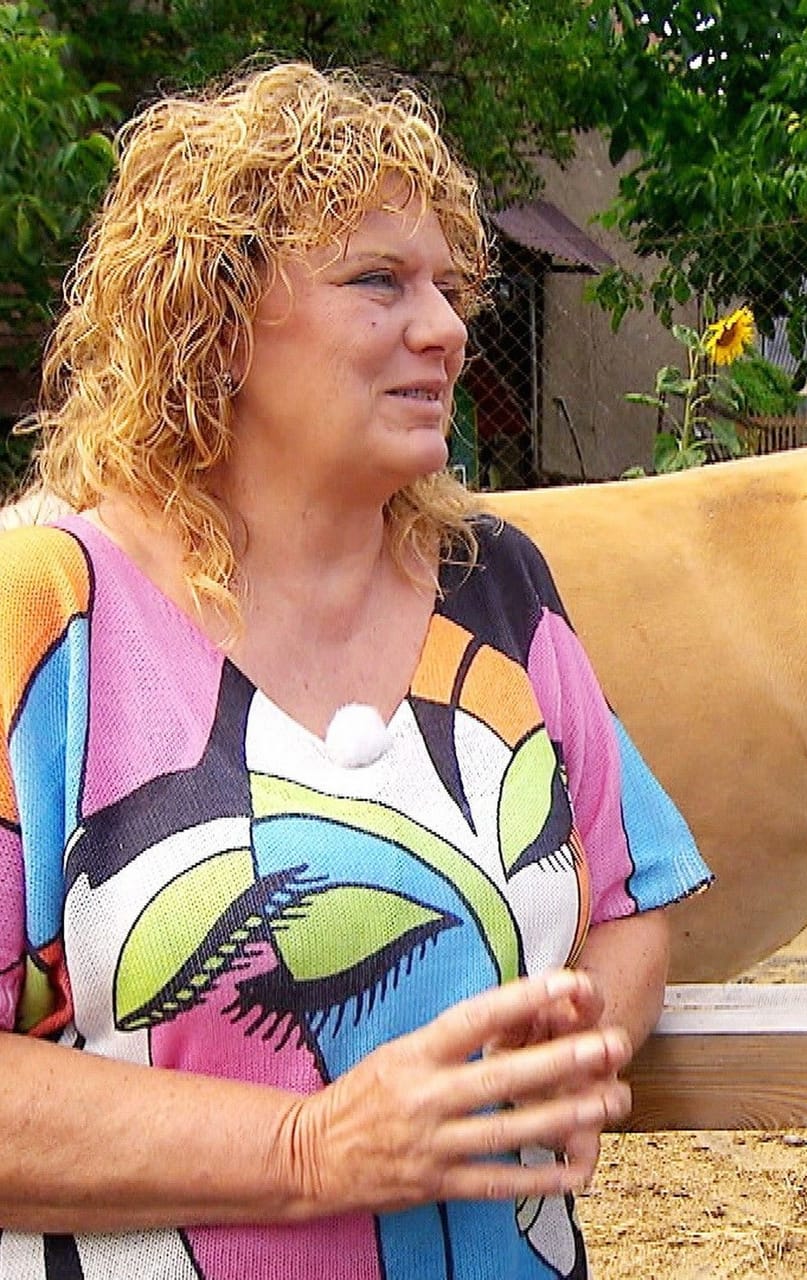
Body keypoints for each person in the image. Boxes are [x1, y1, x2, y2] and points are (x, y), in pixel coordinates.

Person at [0, 63, 711, 1278]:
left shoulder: (499, 587)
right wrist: (313, 1146)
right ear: (209, 321)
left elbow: (629, 896)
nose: (442, 326)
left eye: (447, 284)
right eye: (377, 281)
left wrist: (581, 1048)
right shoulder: (47, 613)